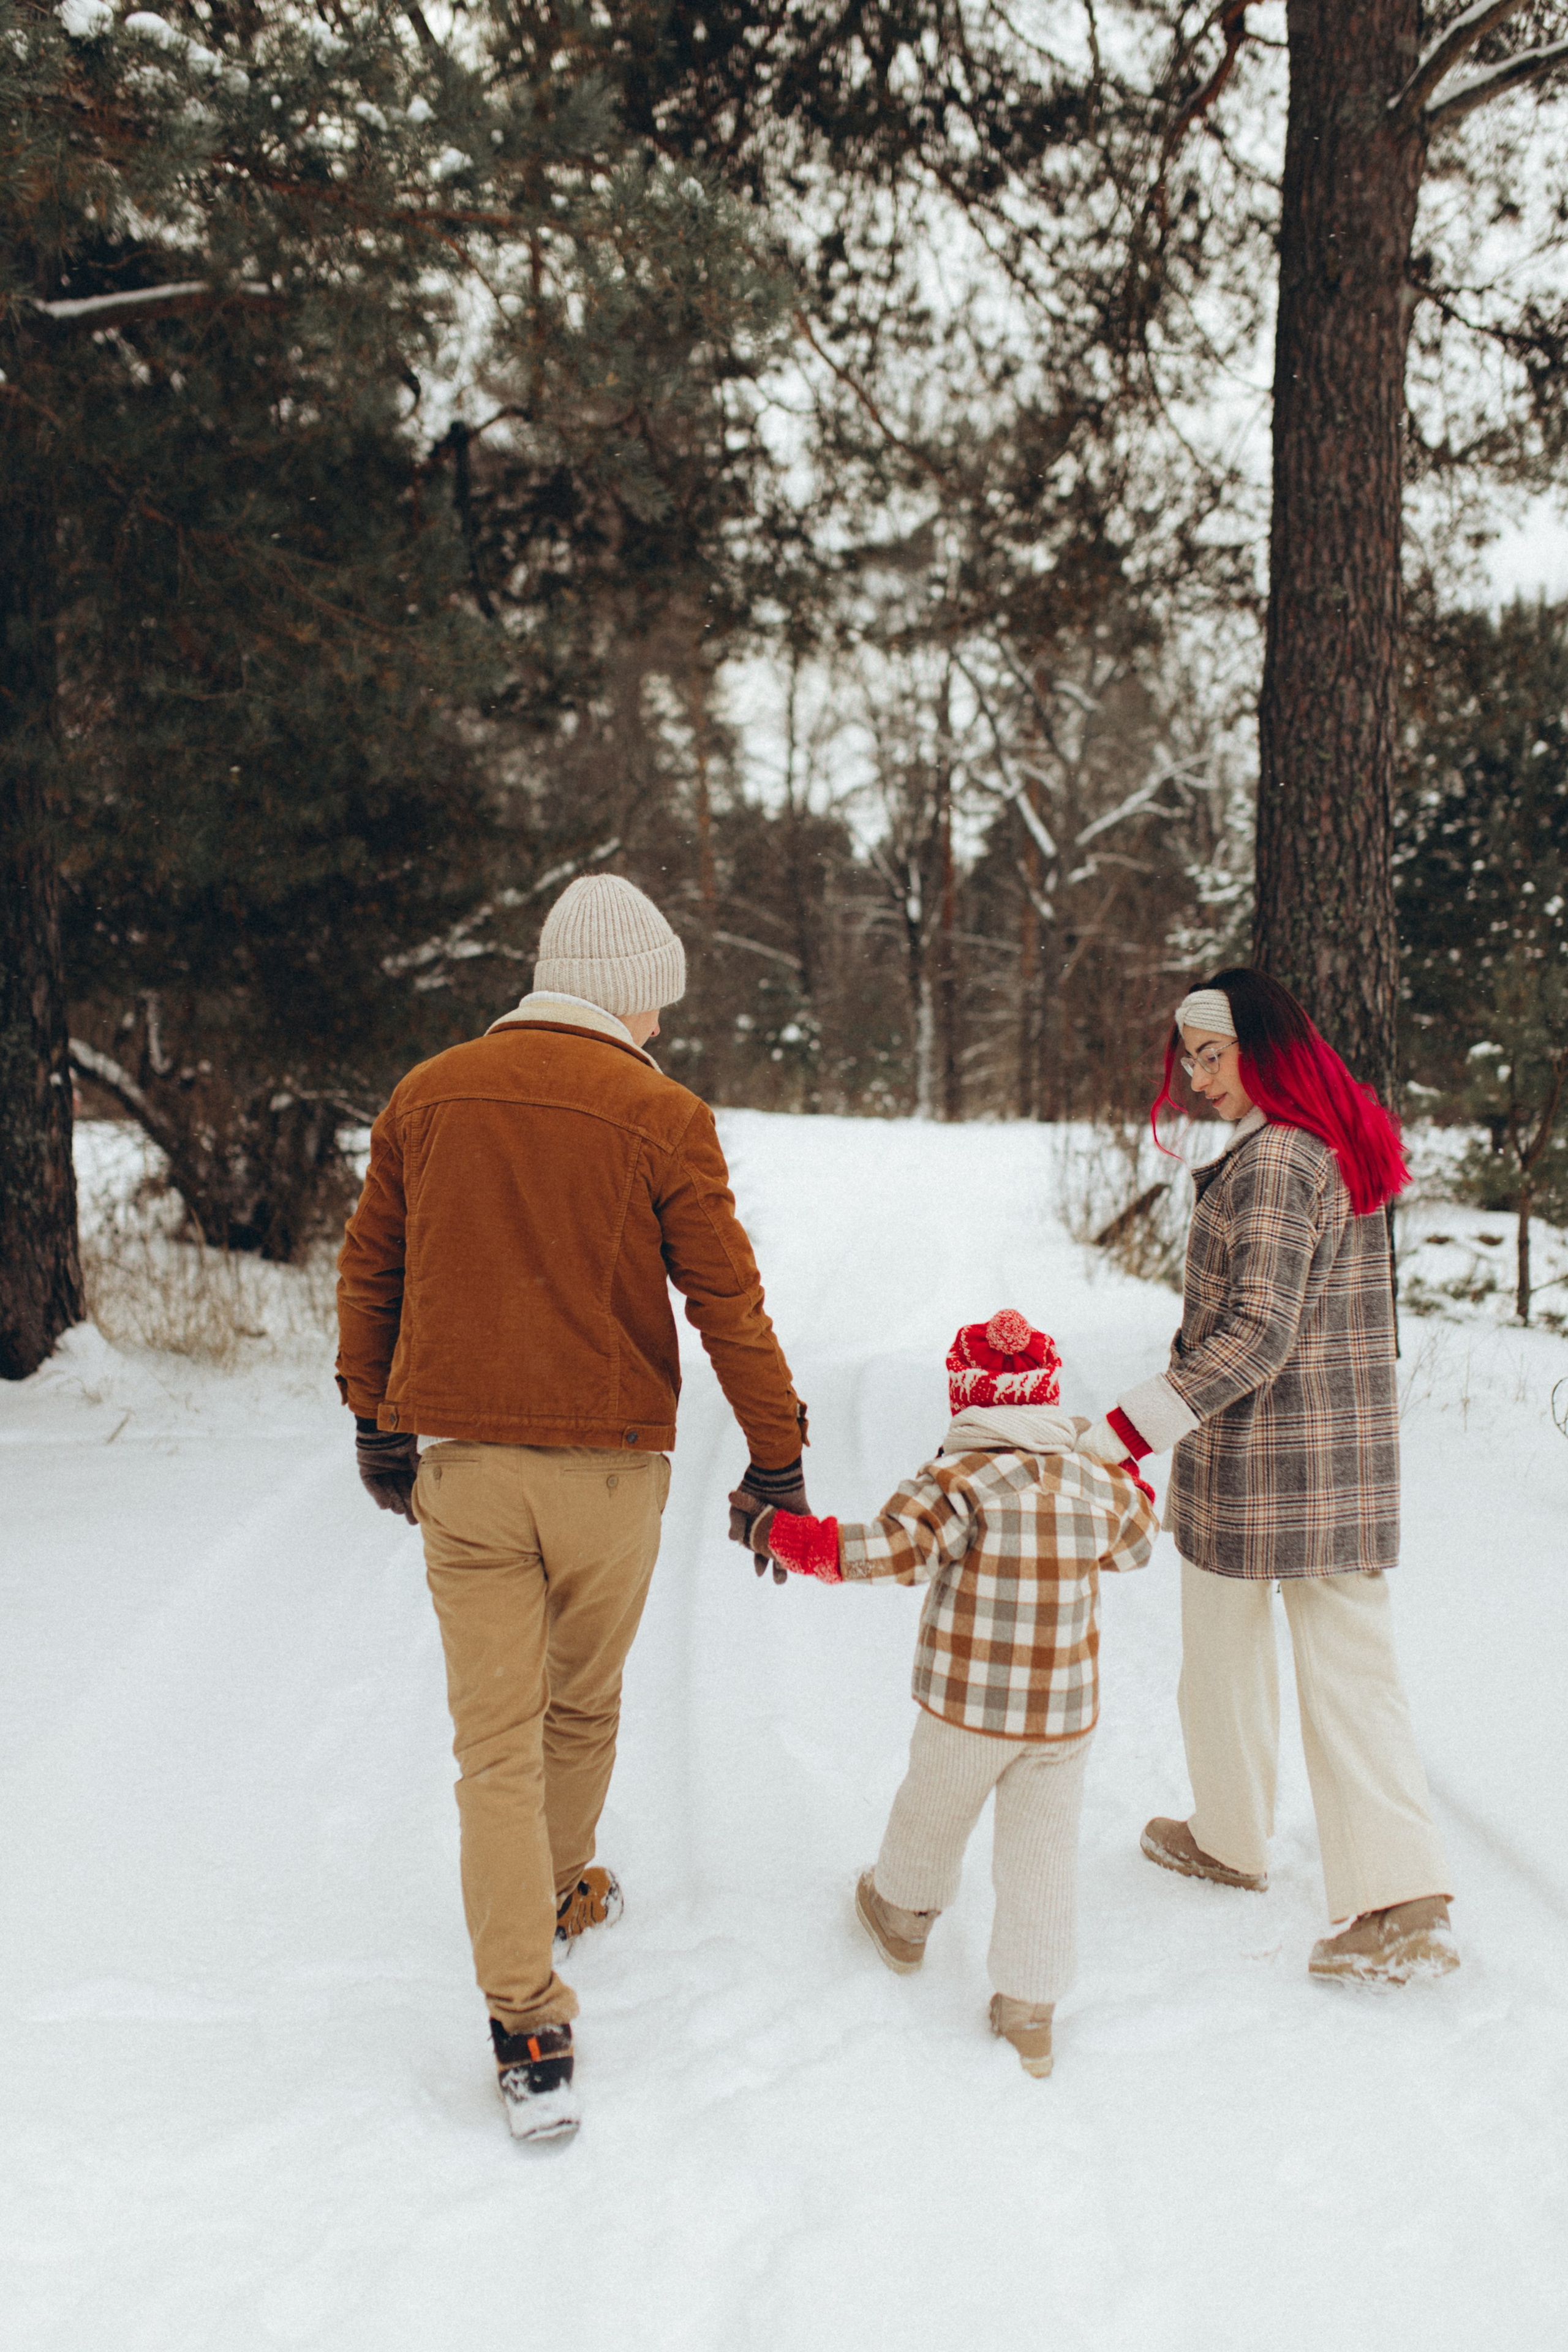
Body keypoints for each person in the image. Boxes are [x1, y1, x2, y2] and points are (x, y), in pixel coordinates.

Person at [336, 874, 809, 2142]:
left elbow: (370, 1264)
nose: (661, 1025)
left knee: (491, 1744)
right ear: (620, 990)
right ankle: (554, 1887)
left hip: (470, 1471)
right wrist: (776, 1464)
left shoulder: (426, 1095)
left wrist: (376, 1420)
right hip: (607, 1475)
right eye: (656, 1001)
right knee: (579, 1702)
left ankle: (525, 2021)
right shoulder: (661, 1114)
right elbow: (729, 1308)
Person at [1079, 968, 1457, 1987]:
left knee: (1344, 1679)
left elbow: (1256, 1334)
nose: (1201, 1079)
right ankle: (1229, 1836)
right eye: (1190, 1059)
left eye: (1216, 1054)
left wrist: (1124, 1429)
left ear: (1267, 1047)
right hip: (1278, 1464)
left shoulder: (1284, 1157)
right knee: (1220, 1662)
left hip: (1290, 1464)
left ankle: (1405, 1908)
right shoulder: (1303, 1143)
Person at [729, 1310, 1155, 2077]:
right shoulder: (1091, 1481)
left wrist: (783, 1534)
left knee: (933, 1808)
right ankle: (1029, 2011)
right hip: (1061, 1715)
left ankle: (902, 1915)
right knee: (1042, 1853)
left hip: (967, 1706)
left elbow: (887, 1553)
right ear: (1049, 1401)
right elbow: (1139, 1542)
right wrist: (1120, 1474)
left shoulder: (955, 1482)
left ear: (965, 1401)